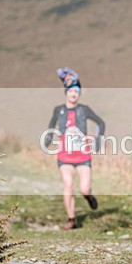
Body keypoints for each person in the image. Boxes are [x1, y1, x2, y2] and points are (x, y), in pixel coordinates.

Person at [44, 68, 105, 230]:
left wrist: (99, 138)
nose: (73, 94)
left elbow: (101, 123)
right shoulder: (59, 110)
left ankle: (89, 197)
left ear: (79, 94)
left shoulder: (84, 110)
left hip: (83, 155)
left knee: (84, 189)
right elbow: (51, 126)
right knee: (68, 186)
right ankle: (71, 220)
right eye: (71, 90)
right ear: (66, 92)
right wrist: (48, 139)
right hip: (64, 155)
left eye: (76, 91)